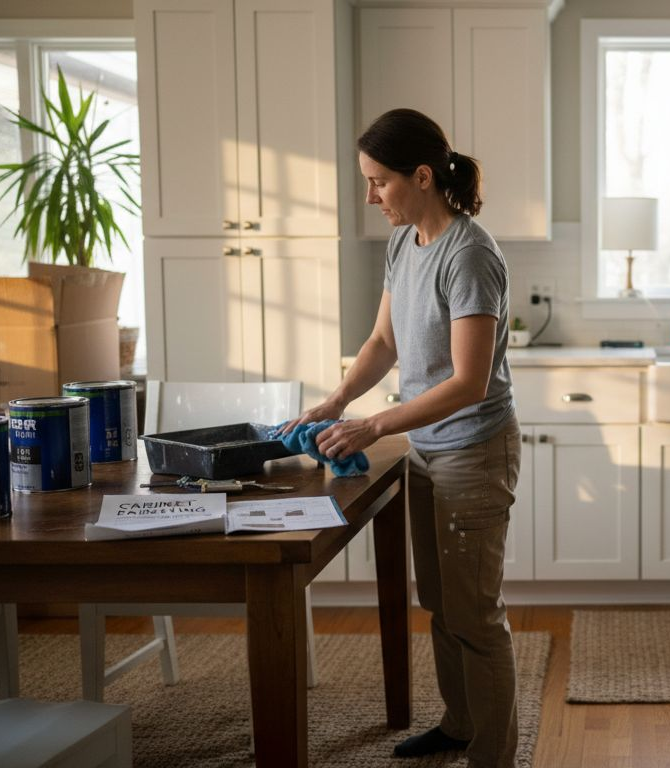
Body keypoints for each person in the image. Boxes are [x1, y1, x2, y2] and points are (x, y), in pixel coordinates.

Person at [284, 108, 521, 768]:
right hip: (430, 450)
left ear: (421, 176)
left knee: (475, 616)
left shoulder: (470, 254)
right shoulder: (404, 242)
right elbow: (384, 342)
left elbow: (470, 382)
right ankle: (460, 724)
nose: (369, 196)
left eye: (378, 182)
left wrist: (374, 423)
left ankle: (493, 756)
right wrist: (334, 401)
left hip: (474, 453)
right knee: (442, 605)